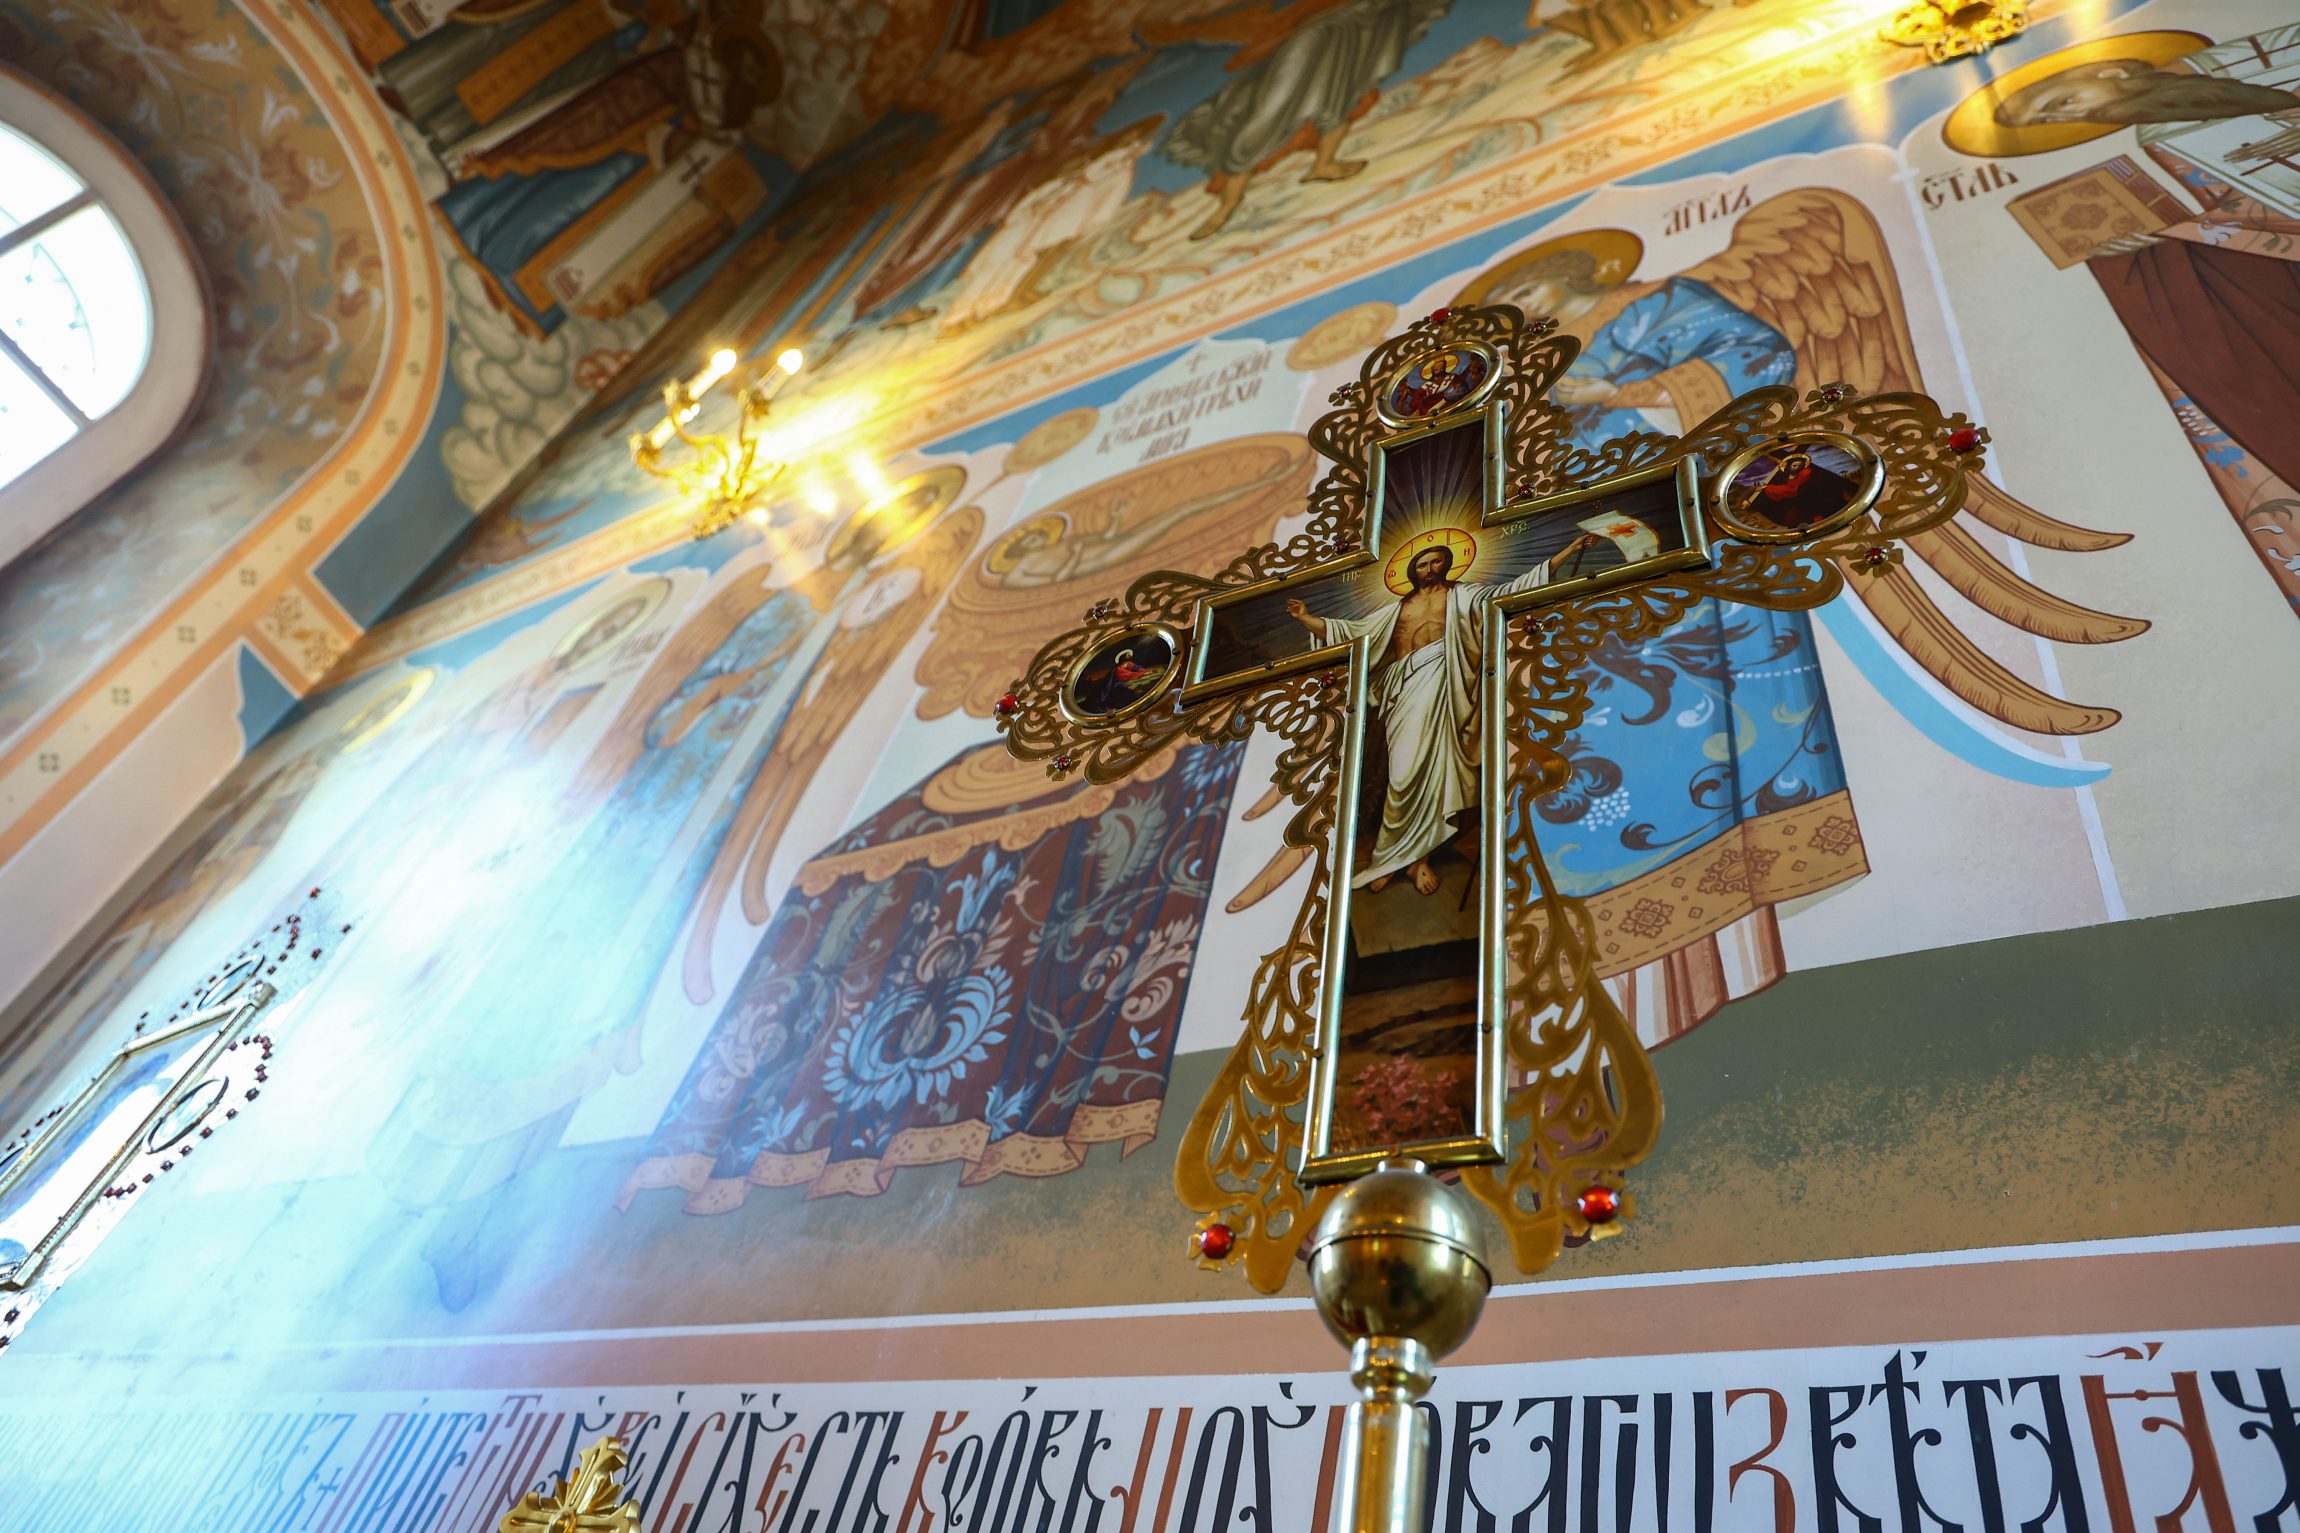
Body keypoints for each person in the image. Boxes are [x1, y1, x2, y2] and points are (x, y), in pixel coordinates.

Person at [1284, 531, 1601, 896]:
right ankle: (1390, 858)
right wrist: (1306, 619)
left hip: (1442, 684)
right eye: (1422, 564)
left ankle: (1419, 860)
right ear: (1411, 571)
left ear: (1448, 564)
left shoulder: (1464, 596)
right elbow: (1350, 633)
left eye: (1436, 561)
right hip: (1402, 691)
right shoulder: (1394, 611)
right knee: (1402, 774)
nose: (1430, 568)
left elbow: (1514, 590)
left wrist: (1569, 549)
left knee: (1436, 770)